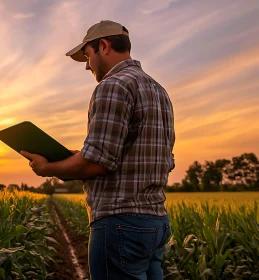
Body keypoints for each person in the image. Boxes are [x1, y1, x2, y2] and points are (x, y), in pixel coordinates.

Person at [20, 20, 175, 280]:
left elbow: (98, 162)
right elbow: (142, 154)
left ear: (103, 46)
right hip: (155, 223)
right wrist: (73, 156)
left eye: (87, 56)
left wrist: (48, 168)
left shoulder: (113, 86)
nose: (87, 66)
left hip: (120, 223)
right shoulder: (159, 91)